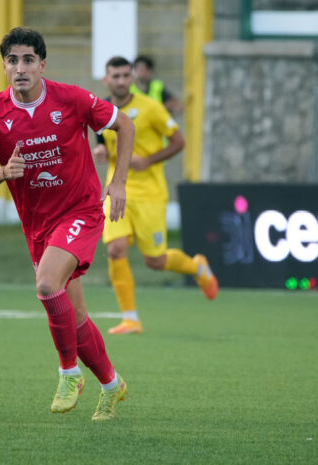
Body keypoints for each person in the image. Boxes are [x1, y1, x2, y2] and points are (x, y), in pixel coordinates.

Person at [0, 27, 136, 420]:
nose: (20, 68)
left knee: (45, 285)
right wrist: (3, 172)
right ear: (4, 66)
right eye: (12, 61)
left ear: (42, 64)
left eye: (28, 60)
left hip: (81, 211)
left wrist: (118, 182)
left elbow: (124, 125)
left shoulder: (71, 99)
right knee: (75, 318)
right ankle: (112, 385)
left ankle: (69, 373)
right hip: (38, 226)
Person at [93, 56, 218, 335]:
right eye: (116, 76)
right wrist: (101, 151)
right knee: (115, 249)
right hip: (118, 189)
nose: (121, 81)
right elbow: (102, 141)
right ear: (106, 79)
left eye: (126, 75)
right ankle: (130, 319)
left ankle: (197, 267)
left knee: (155, 260)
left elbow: (179, 142)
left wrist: (148, 160)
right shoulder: (102, 110)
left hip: (150, 193)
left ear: (132, 78)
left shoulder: (151, 107)